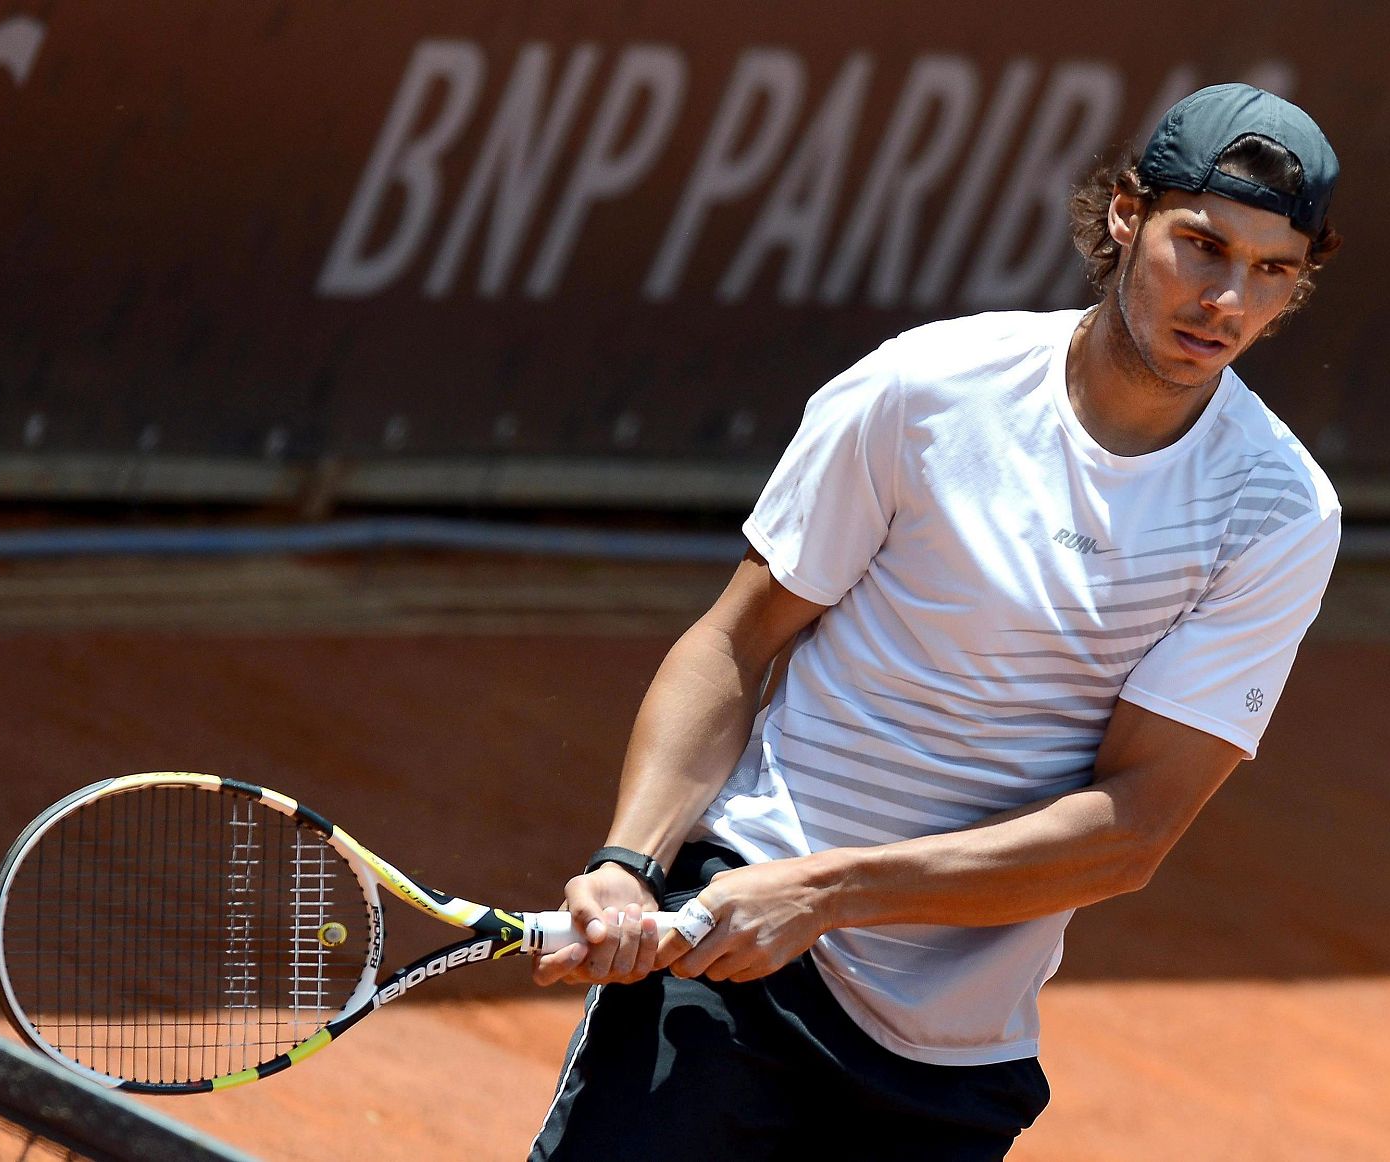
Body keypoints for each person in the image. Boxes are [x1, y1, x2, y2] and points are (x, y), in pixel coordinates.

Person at [528, 82, 1344, 1161]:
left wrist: (830, 893)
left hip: (947, 1052)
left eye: (1272, 270)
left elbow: (1133, 829)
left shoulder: (1276, 510)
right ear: (1124, 213)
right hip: (735, 956)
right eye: (1201, 245)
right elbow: (736, 640)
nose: (1227, 300)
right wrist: (630, 861)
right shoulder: (927, 388)